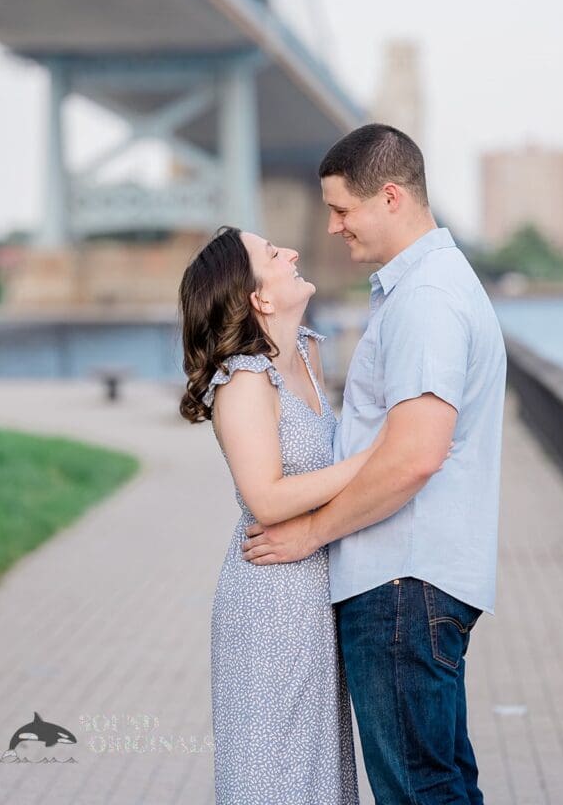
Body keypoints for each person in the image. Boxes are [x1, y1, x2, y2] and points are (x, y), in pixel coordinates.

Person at [241, 123, 507, 805]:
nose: (331, 228)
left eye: (340, 209)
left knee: (418, 792)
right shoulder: (426, 288)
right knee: (439, 784)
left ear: (390, 198)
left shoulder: (425, 300)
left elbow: (414, 455)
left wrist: (309, 533)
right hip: (414, 582)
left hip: (399, 581)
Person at [179, 226, 454, 803]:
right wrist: (381, 459)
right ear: (259, 297)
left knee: (318, 768)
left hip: (319, 582)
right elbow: (267, 498)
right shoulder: (245, 378)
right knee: (273, 769)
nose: (293, 252)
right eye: (274, 254)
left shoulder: (306, 349)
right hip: (272, 593)